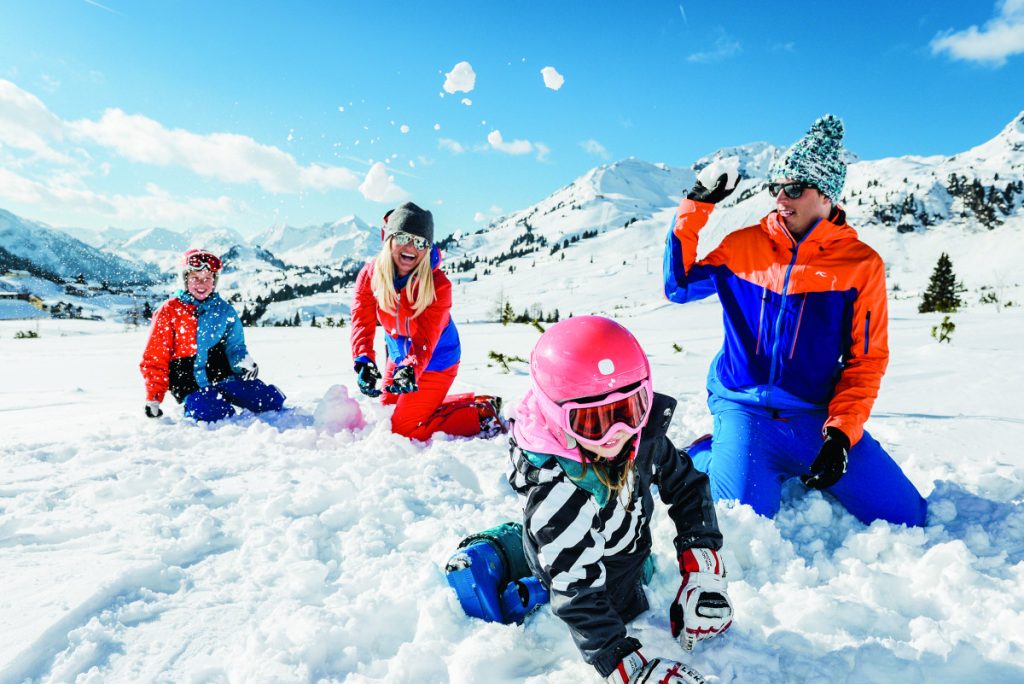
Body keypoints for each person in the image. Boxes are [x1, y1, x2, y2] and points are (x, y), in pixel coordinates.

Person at [663, 114, 927, 527]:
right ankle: (710, 450)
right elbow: (679, 286)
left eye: (794, 188)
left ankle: (783, 456)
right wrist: (696, 205)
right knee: (741, 524)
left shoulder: (861, 265)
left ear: (827, 195)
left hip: (814, 415)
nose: (781, 199)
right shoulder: (742, 246)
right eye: (776, 188)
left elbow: (866, 360)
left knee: (907, 515)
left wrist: (840, 435)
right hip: (744, 407)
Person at [508, 316, 732, 684]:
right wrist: (629, 668)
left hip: (624, 541)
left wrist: (703, 567)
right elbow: (581, 597)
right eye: (593, 421)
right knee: (620, 604)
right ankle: (526, 565)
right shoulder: (559, 494)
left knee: (618, 559)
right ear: (555, 416)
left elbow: (687, 486)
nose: (618, 434)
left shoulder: (640, 438)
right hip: (603, 578)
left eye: (632, 409)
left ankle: (528, 549)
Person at [350, 201, 503, 440]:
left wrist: (411, 368)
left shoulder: (438, 285)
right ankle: (452, 404)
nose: (411, 247)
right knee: (386, 413)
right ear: (389, 238)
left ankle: (480, 414)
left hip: (436, 359)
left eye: (420, 242)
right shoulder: (370, 275)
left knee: (404, 431)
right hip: (400, 355)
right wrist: (363, 359)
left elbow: (426, 340)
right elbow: (362, 320)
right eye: (403, 237)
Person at [140, 248, 285, 422]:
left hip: (221, 374)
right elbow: (155, 357)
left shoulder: (223, 310)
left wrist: (243, 362)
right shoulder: (169, 311)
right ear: (184, 280)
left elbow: (235, 345)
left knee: (270, 402)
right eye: (195, 278)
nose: (202, 284)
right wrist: (154, 397)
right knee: (215, 414)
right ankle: (199, 403)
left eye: (207, 278)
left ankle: (226, 393)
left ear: (214, 281)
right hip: (187, 380)